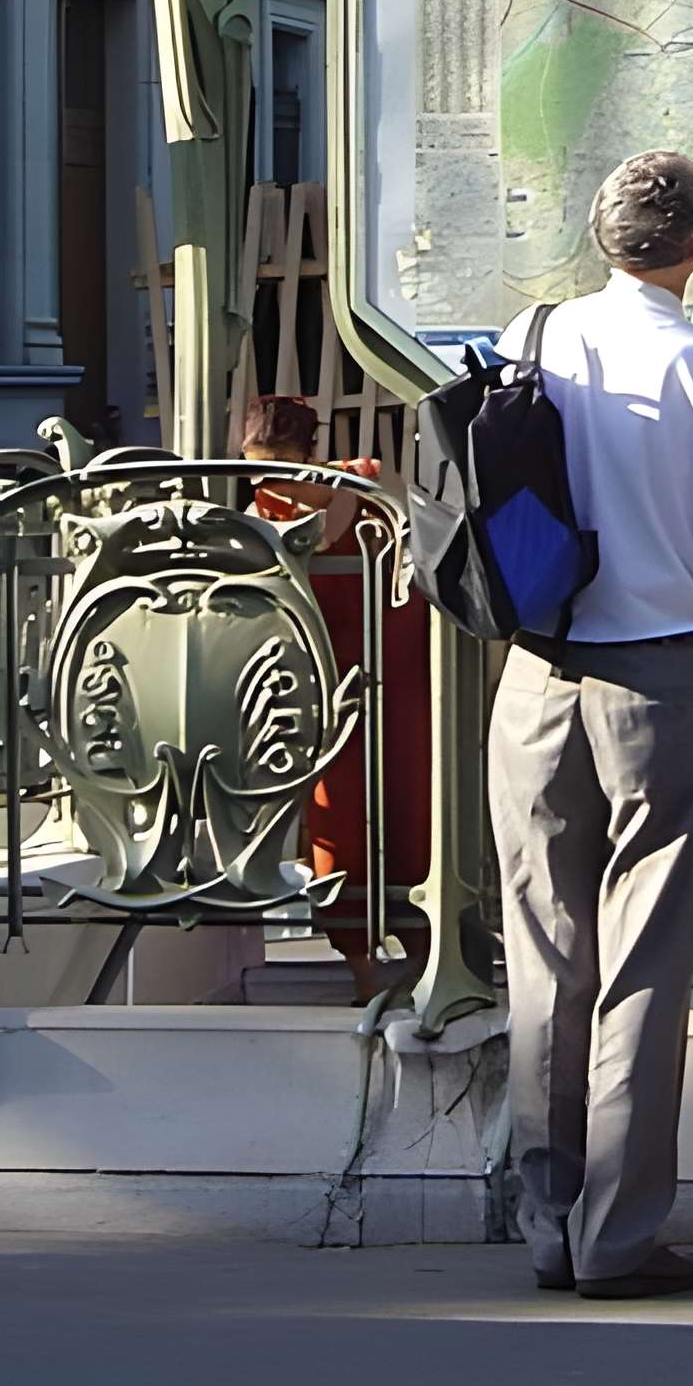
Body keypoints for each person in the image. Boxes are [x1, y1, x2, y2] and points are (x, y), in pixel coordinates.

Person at [487, 152, 693, 1298]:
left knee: (546, 956)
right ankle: (619, 1236)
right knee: (644, 965)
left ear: (598, 236)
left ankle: (546, 1219)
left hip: (534, 676)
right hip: (663, 684)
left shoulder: (534, 335)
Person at [240, 393, 429, 1003]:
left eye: (282, 460)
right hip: (325, 687)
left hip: (394, 675)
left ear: (309, 454)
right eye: (260, 463)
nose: (273, 477)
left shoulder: (367, 494)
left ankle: (423, 958)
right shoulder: (262, 515)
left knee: (412, 810)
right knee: (335, 823)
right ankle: (365, 976)